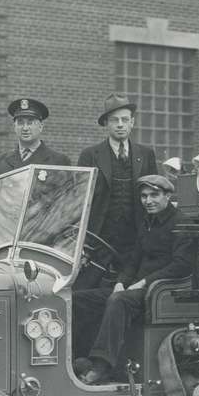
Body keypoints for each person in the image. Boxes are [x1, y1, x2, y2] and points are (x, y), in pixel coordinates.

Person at [73, 174, 192, 384]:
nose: (148, 201)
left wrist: (144, 282)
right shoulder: (148, 222)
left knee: (118, 301)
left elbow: (181, 265)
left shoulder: (181, 223)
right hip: (135, 287)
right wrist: (120, 282)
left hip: (160, 291)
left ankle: (102, 366)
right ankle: (79, 357)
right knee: (79, 299)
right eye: (144, 196)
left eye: (154, 195)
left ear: (167, 196)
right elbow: (132, 261)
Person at [76, 93, 158, 278]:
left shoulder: (146, 155)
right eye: (114, 120)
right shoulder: (90, 155)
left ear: (132, 122)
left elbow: (155, 196)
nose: (120, 124)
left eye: (124, 119)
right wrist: (83, 245)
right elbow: (79, 201)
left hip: (135, 242)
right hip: (98, 242)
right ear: (106, 123)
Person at [0, 97, 71, 247]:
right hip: (3, 242)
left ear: (40, 126)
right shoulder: (0, 162)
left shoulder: (58, 161)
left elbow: (65, 209)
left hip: (41, 242)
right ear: (14, 127)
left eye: (30, 122)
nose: (25, 128)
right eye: (20, 123)